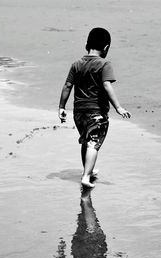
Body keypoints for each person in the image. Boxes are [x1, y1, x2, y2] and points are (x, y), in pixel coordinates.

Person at [58, 27, 131, 188]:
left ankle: (88, 170)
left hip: (78, 112)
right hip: (96, 112)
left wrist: (61, 107)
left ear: (87, 45)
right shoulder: (104, 64)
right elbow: (106, 85)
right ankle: (85, 176)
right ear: (106, 47)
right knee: (93, 143)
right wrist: (118, 107)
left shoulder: (76, 64)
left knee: (86, 140)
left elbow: (67, 85)